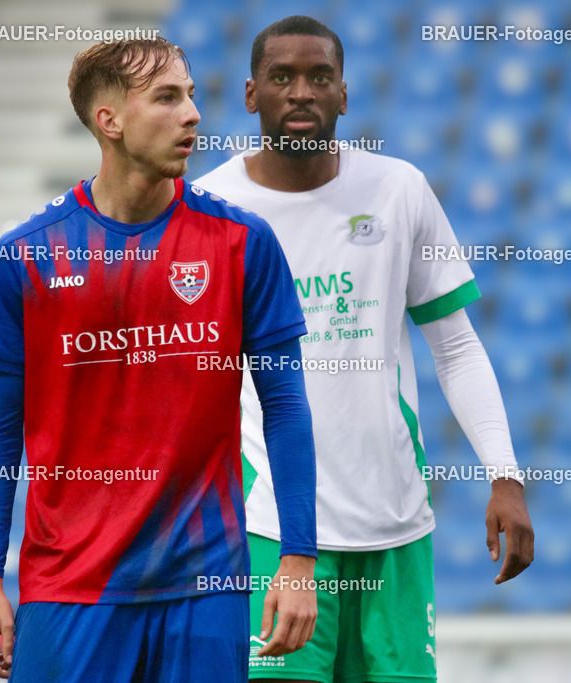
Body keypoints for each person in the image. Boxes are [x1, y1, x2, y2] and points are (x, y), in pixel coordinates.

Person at [0, 37, 317, 682]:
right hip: (70, 587)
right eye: (167, 98)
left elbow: (286, 409)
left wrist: (298, 560)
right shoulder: (26, 257)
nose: (193, 115)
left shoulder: (243, 243)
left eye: (191, 96)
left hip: (205, 585)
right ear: (110, 121)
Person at [197, 16, 534, 683]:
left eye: (319, 77)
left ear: (344, 95)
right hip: (271, 530)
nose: (301, 92)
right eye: (282, 77)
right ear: (250, 93)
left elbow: (457, 348)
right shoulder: (209, 208)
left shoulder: (398, 189)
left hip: (396, 528)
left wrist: (505, 473)